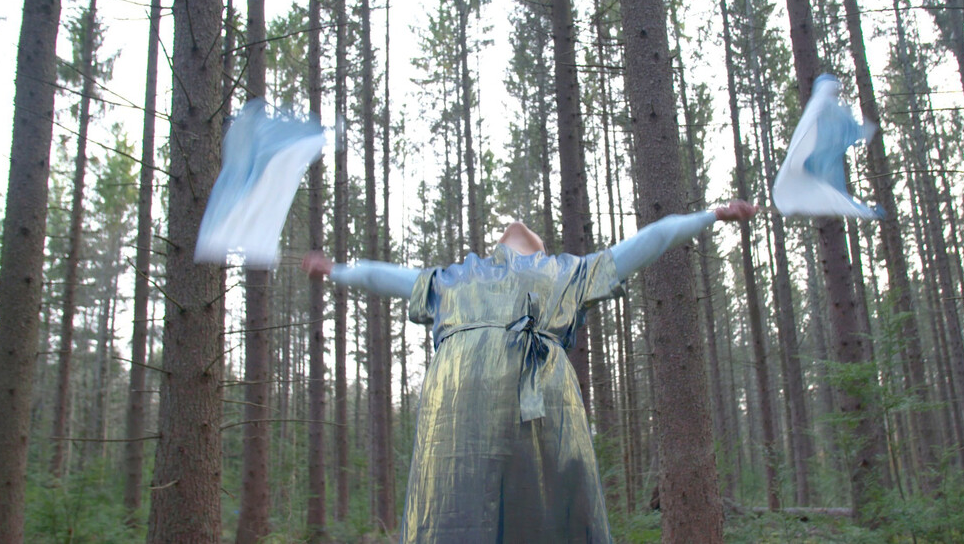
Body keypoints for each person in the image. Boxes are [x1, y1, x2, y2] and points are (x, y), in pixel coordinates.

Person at [302, 200, 758, 543]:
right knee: (478, 501)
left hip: (508, 394)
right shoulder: (492, 274)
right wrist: (711, 214)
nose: (519, 230)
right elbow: (650, 240)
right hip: (506, 398)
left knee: (505, 500)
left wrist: (712, 215)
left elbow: (387, 277)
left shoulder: (506, 274)